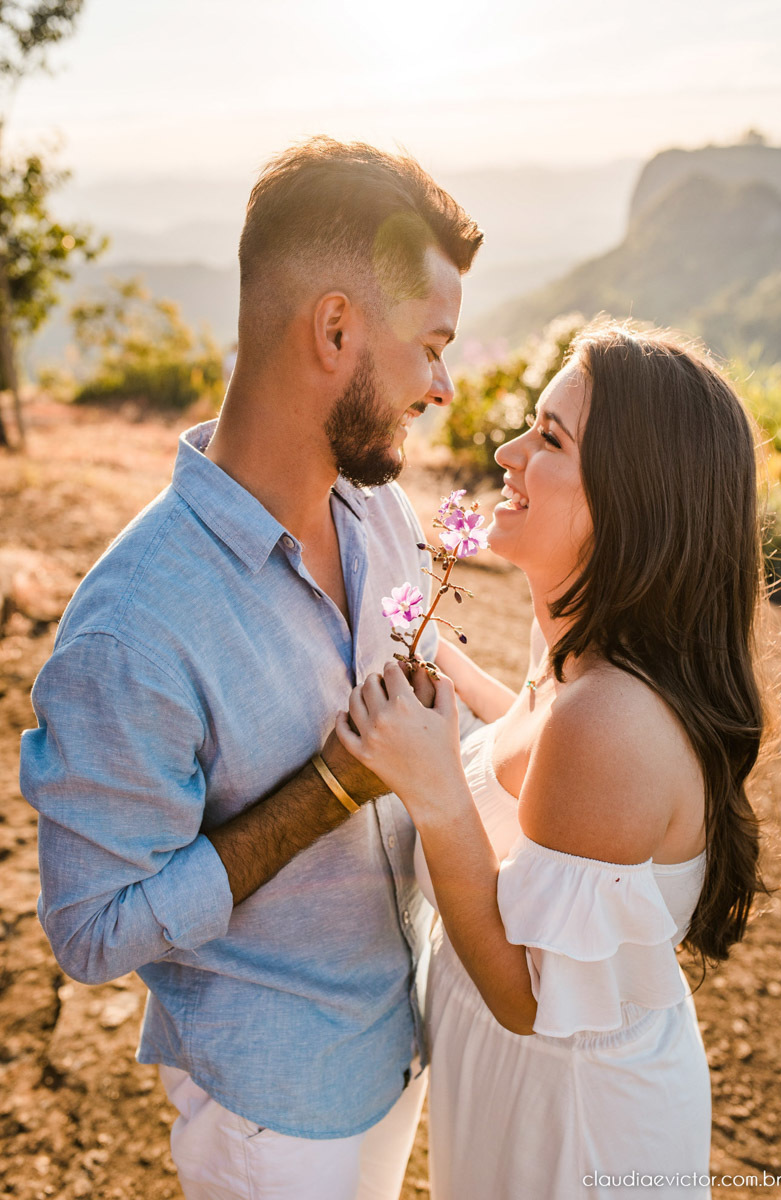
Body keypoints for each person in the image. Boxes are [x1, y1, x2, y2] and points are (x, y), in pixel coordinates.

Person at [19, 138, 483, 1200]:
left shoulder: (384, 512)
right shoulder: (131, 629)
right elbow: (90, 932)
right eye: (432, 346)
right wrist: (322, 794)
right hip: (274, 1119)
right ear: (334, 330)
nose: (445, 385)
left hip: (399, 1040)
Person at [338, 323, 767, 1200]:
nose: (505, 450)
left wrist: (431, 788)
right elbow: (525, 756)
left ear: (630, 501)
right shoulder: (581, 653)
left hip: (578, 1136)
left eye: (549, 439)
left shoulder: (615, 721)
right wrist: (432, 655)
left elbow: (525, 998)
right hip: (525, 1094)